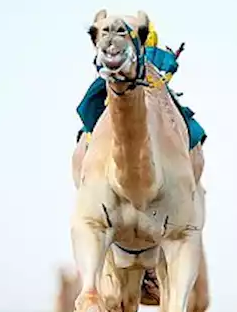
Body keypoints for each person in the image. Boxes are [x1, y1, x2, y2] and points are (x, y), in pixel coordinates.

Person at [71, 19, 207, 187]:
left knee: (184, 121)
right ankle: (91, 138)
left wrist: (164, 73)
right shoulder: (115, 51)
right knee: (91, 103)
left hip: (148, 84)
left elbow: (166, 65)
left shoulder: (151, 49)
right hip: (119, 82)